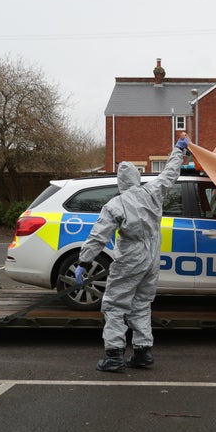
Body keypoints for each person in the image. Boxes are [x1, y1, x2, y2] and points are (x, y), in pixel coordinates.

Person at [74, 133, 189, 372]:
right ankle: (142, 351)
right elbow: (170, 173)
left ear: (120, 182)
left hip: (131, 256)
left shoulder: (116, 204)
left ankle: (114, 355)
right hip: (152, 254)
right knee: (141, 302)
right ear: (137, 178)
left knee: (115, 304)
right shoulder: (153, 191)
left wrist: (84, 262)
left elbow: (98, 237)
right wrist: (179, 150)